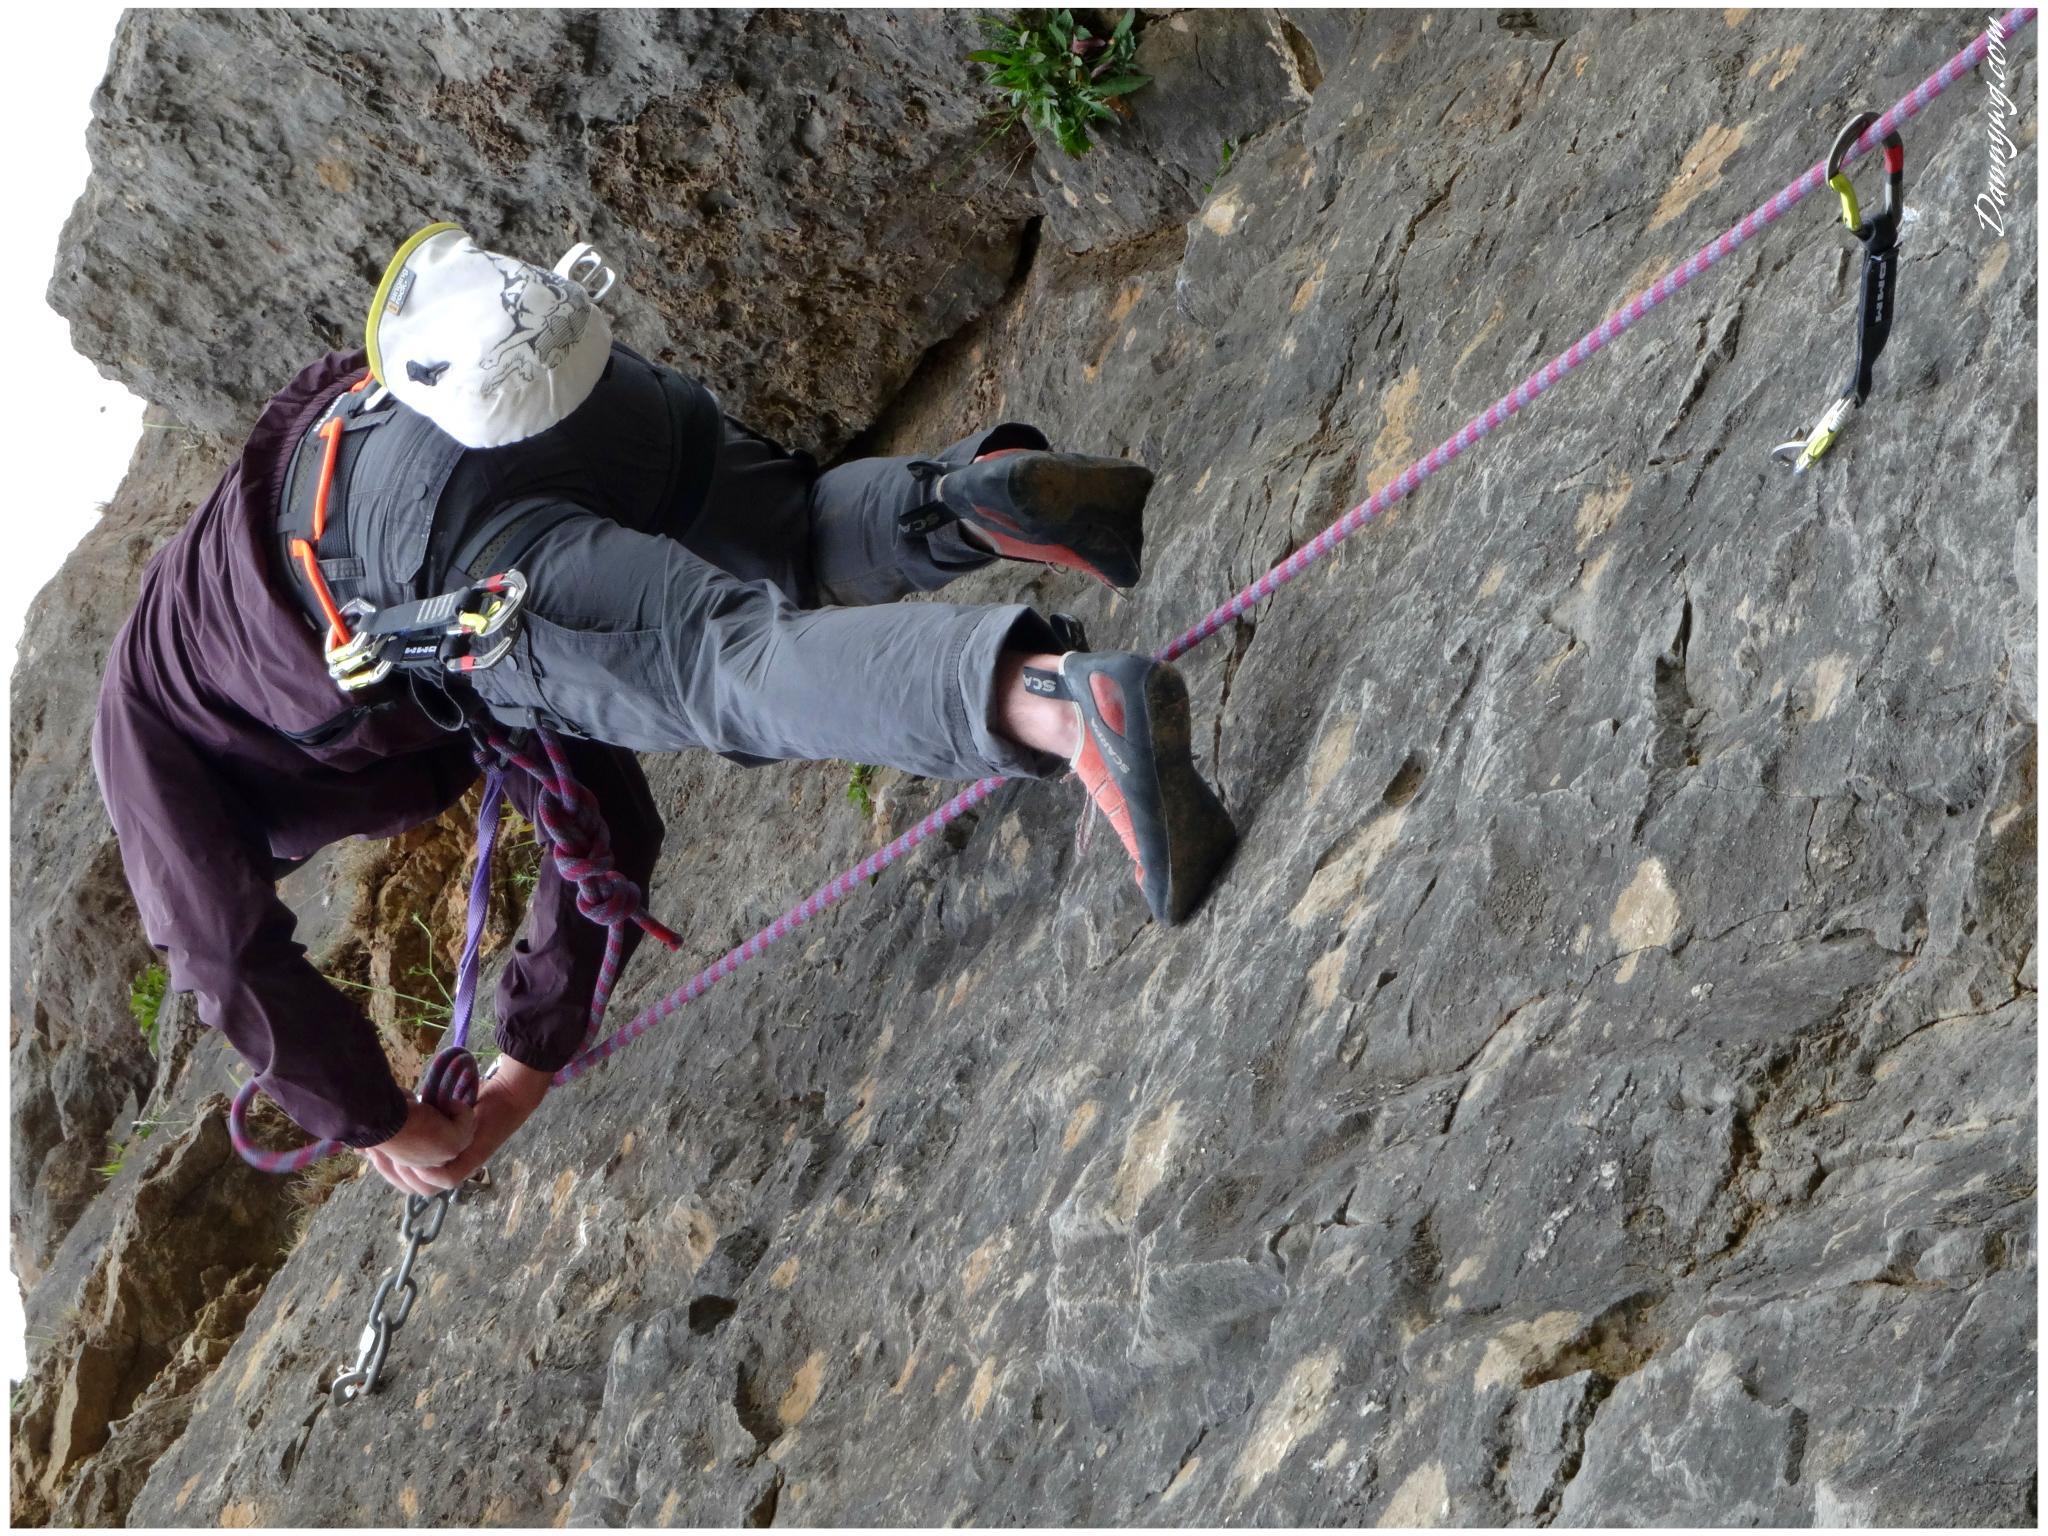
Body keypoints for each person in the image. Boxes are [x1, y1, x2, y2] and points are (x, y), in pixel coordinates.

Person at [92, 225, 1235, 1198]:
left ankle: (1053, 707)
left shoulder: (144, 732)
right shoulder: (211, 616)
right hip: (501, 377)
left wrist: (385, 1122)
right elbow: (599, 812)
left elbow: (220, 955)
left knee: (722, 665)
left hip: (407, 553)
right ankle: (971, 502)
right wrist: (529, 1054)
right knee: (782, 533)